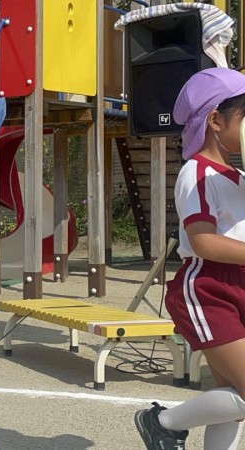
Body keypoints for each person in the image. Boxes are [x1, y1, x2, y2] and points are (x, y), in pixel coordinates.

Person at [134, 68, 245, 450]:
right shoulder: (196, 173)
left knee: (232, 396)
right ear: (215, 120)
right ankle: (162, 422)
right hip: (207, 288)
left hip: (237, 284)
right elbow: (204, 242)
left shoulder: (238, 176)